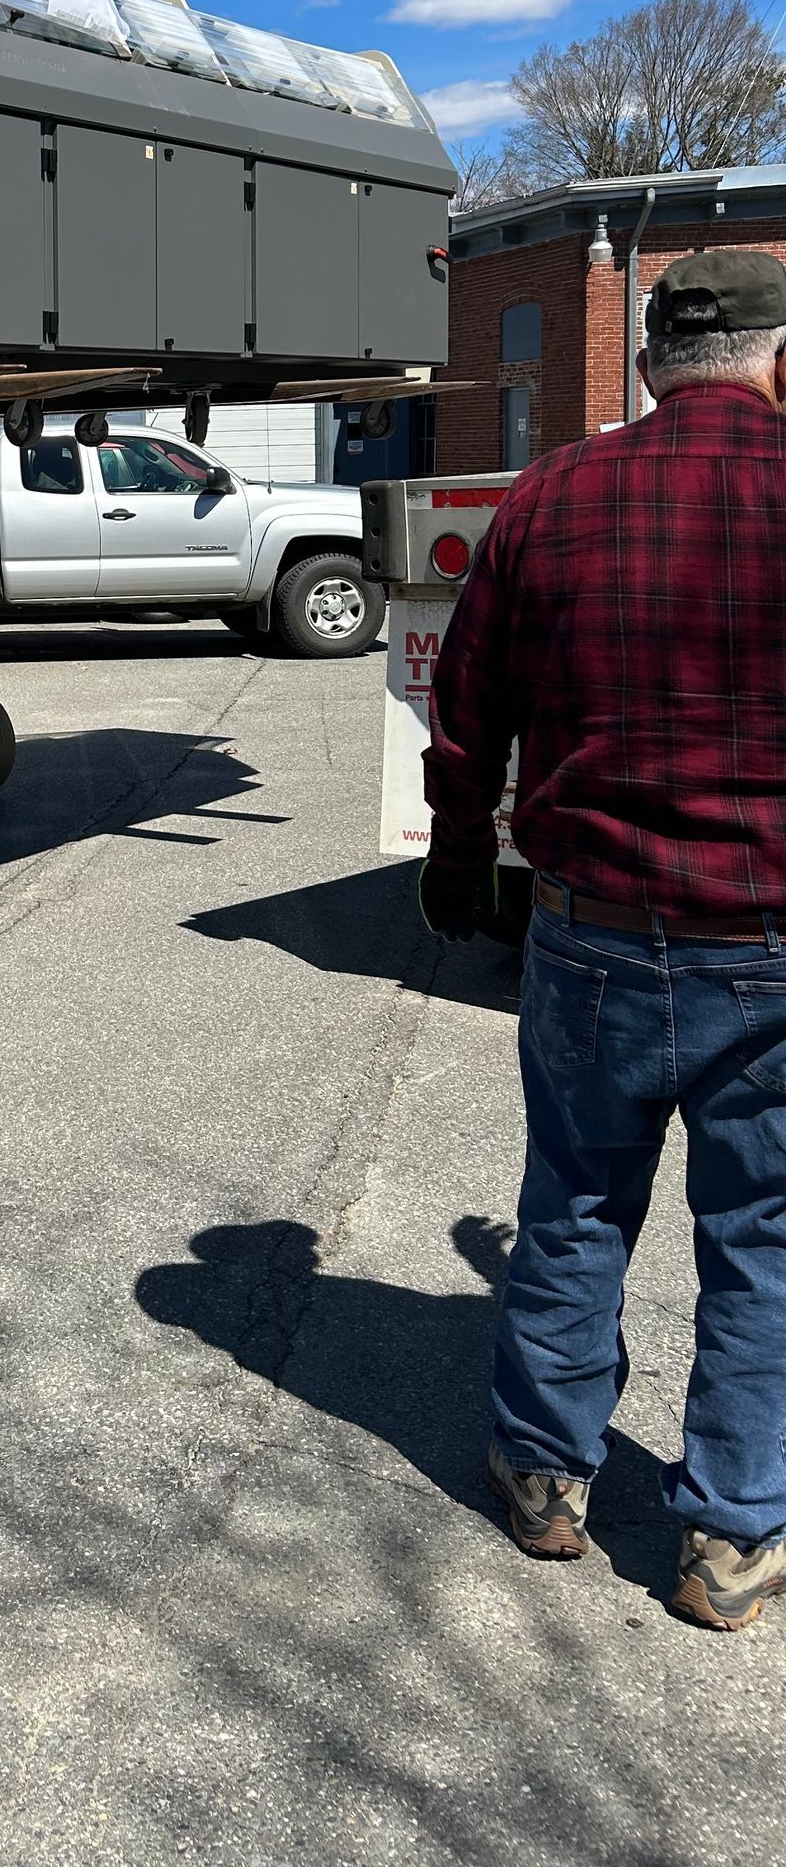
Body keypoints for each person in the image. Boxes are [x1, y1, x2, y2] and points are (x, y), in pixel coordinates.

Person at [424, 249, 786, 1630]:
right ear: (772, 358)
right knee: (764, 1241)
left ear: (647, 365)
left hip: (589, 934)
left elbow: (469, 703)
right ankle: (731, 1541)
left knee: (574, 1208)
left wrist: (463, 851)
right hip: (771, 939)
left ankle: (542, 1478)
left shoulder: (555, 494)